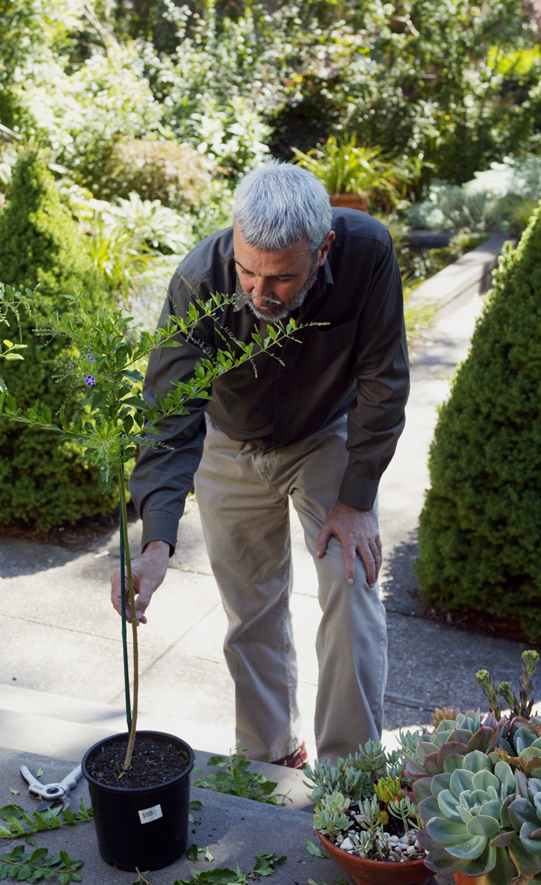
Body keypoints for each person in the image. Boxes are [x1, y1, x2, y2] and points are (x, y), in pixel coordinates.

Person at [111, 160, 409, 766]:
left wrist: (356, 501)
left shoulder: (367, 252)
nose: (257, 291)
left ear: (322, 249)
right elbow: (170, 413)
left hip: (328, 437)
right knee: (251, 610)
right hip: (230, 441)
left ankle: (351, 775)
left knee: (352, 587)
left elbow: (384, 379)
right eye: (247, 271)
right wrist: (157, 541)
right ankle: (268, 760)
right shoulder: (199, 278)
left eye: (280, 278)